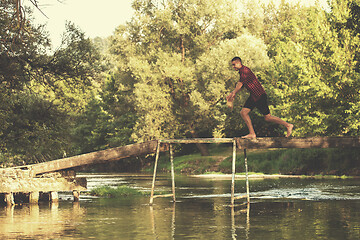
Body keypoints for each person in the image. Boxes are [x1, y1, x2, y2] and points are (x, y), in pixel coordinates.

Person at [226, 57, 293, 139]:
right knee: (244, 113)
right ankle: (252, 133)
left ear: (239, 62)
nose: (233, 67)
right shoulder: (242, 72)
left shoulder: (245, 70)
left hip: (259, 96)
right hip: (254, 96)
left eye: (234, 64)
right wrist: (233, 93)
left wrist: (233, 93)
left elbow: (240, 84)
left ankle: (288, 125)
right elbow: (241, 85)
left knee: (267, 117)